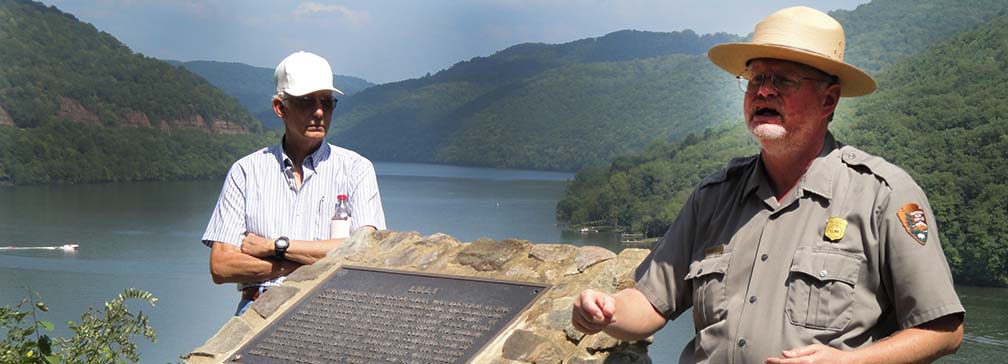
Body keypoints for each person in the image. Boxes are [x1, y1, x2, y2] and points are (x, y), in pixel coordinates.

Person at [572, 6, 964, 364]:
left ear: (828, 101)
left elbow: (943, 330)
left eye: (784, 81)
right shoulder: (713, 197)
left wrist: (849, 362)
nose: (763, 91)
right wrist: (606, 311)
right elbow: (651, 302)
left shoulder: (884, 195)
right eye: (756, 77)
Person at [202, 51, 386, 316]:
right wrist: (312, 261)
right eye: (306, 102)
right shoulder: (246, 171)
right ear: (280, 108)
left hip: (332, 309)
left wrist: (274, 246)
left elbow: (363, 252)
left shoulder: (356, 169)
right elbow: (222, 266)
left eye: (327, 101)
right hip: (258, 308)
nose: (319, 111)